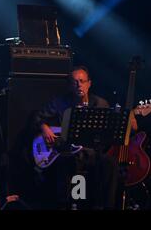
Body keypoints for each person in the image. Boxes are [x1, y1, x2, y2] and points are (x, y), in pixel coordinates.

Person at [33, 66, 128, 209]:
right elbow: (37, 117)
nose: (79, 85)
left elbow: (109, 134)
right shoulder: (60, 102)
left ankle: (105, 206)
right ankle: (74, 204)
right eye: (75, 82)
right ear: (70, 85)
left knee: (110, 162)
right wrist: (44, 127)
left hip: (91, 152)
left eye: (82, 81)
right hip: (67, 152)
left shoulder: (100, 104)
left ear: (89, 83)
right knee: (72, 162)